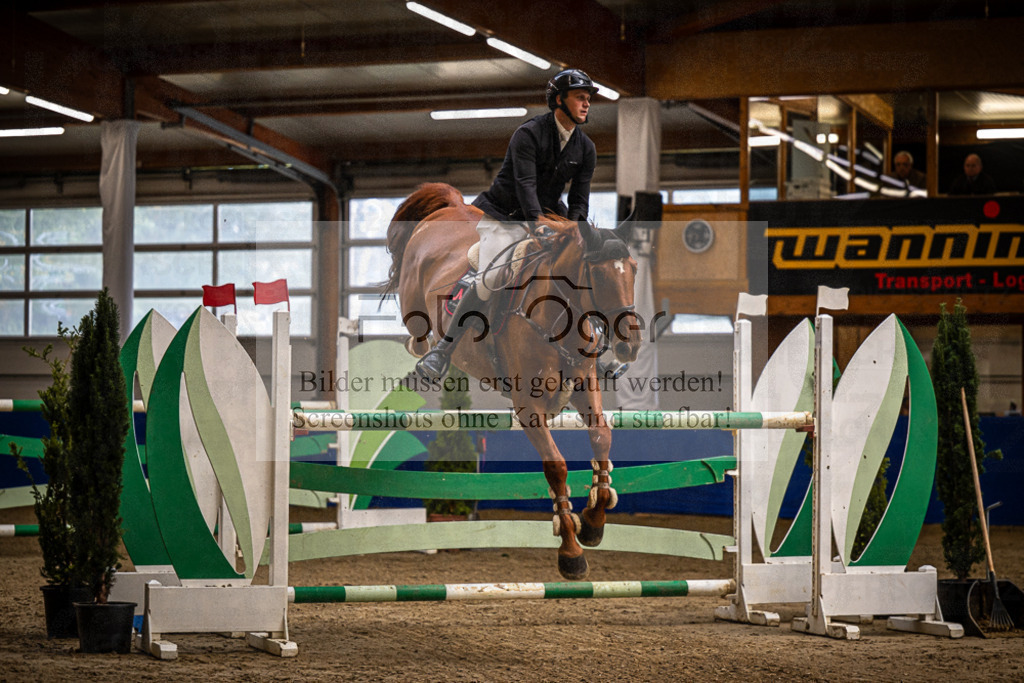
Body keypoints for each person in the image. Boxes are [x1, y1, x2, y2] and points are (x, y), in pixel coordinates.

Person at [415, 68, 600, 382]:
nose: (586, 104)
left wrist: (576, 232)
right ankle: (442, 349)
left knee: (579, 273)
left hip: (549, 219)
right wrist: (536, 224)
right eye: (580, 97)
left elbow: (579, 200)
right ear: (559, 100)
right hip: (505, 217)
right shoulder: (528, 134)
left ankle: (592, 349)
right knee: (492, 277)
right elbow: (525, 185)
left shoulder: (586, 148)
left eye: (588, 99)